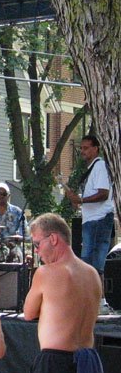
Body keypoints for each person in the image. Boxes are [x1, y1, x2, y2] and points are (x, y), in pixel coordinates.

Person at [23, 213, 107, 373]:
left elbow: (29, 313)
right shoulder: (93, 274)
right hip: (88, 363)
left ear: (53, 238)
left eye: (37, 244)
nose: (36, 250)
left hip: (55, 364)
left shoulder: (45, 273)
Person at [64, 135, 116, 314]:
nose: (82, 151)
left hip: (98, 219)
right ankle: (94, 300)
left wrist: (81, 199)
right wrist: (77, 200)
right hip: (93, 220)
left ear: (96, 148)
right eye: (81, 148)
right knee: (90, 262)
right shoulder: (92, 169)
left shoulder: (99, 166)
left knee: (92, 261)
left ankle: (98, 302)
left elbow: (103, 193)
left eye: (86, 148)